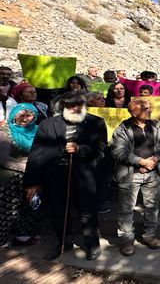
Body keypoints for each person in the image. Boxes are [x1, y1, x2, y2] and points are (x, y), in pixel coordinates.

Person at [23, 91, 107, 261]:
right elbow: (37, 154)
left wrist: (80, 149)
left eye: (79, 105)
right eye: (71, 105)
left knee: (86, 212)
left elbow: (100, 149)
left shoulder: (96, 122)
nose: (75, 108)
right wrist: (32, 182)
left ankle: (92, 244)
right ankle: (64, 242)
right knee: (58, 212)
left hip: (84, 175)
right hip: (54, 176)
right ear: (63, 106)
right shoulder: (47, 124)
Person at [111, 100, 160, 256]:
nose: (150, 111)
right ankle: (127, 240)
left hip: (153, 172)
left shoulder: (155, 125)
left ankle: (149, 235)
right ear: (134, 113)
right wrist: (141, 161)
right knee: (126, 209)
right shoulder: (123, 129)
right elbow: (118, 152)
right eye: (146, 109)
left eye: (150, 108)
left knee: (152, 207)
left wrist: (154, 160)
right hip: (130, 175)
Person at [0, 104, 40, 247]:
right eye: (21, 115)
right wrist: (26, 167)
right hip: (10, 177)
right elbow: (4, 158)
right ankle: (1, 239)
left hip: (35, 176)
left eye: (29, 116)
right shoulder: (5, 132)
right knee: (7, 210)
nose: (25, 119)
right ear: (14, 116)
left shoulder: (39, 131)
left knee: (32, 207)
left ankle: (23, 236)